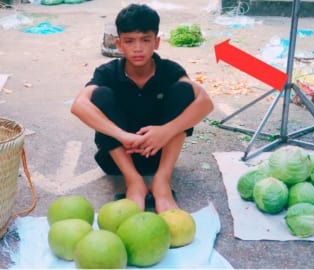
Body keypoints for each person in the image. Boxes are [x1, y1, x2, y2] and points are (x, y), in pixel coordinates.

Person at [70, 3, 213, 213]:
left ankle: (161, 183)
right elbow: (79, 105)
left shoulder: (169, 70)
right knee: (99, 95)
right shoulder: (108, 72)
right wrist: (124, 136)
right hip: (116, 161)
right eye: (129, 41)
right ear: (119, 44)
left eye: (145, 40)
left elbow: (205, 103)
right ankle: (134, 182)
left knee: (184, 91)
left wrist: (166, 131)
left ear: (156, 42)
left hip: (159, 155)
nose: (138, 48)